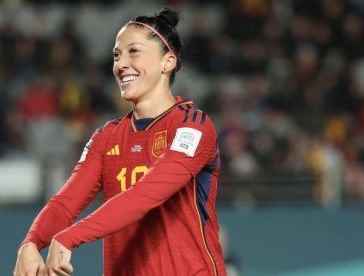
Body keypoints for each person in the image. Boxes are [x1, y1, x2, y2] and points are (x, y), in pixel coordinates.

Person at [14, 7, 227, 276]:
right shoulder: (106, 137)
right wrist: (30, 243)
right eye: (116, 55)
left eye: (133, 51)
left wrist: (70, 236)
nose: (121, 64)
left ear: (168, 62)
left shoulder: (193, 126)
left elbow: (146, 194)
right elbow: (65, 203)